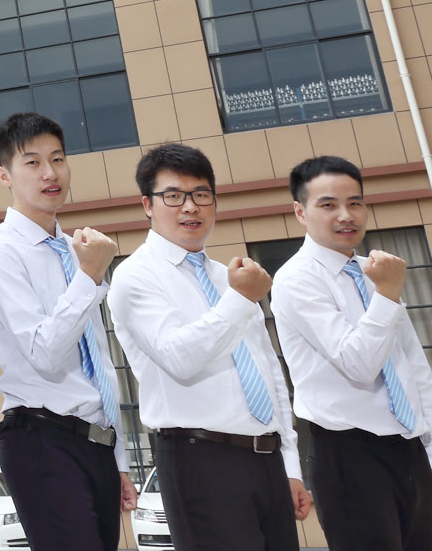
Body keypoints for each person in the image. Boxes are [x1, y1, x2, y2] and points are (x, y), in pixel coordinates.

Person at [106, 143, 310, 551]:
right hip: (199, 457)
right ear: (147, 205)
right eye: (173, 196)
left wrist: (289, 463)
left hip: (266, 458)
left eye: (201, 194)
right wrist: (241, 299)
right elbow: (179, 358)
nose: (190, 207)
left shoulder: (227, 276)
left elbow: (269, 372)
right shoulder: (135, 275)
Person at [271, 155, 432, 551]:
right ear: (300, 212)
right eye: (328, 204)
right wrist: (387, 294)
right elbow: (358, 364)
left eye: (355, 202)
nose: (346, 215)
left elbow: (413, 366)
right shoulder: (296, 279)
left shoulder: (375, 272)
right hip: (348, 453)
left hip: (409, 449)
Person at [0, 113, 134, 551]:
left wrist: (118, 457)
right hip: (42, 440)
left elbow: (97, 360)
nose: (50, 173)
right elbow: (44, 355)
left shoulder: (75, 249)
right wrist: (89, 277)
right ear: (4, 175)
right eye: (33, 162)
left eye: (58, 159)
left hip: (96, 443)